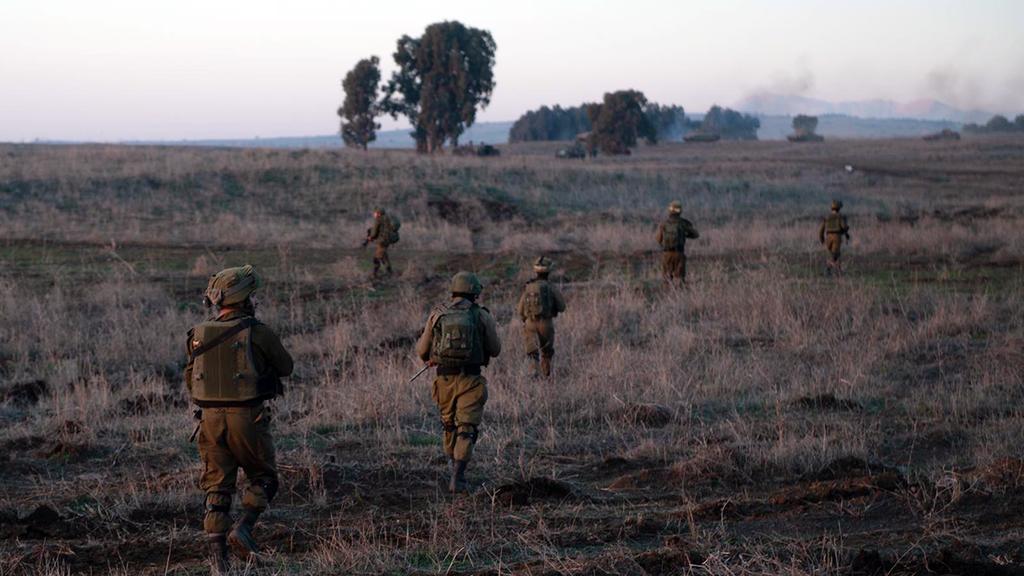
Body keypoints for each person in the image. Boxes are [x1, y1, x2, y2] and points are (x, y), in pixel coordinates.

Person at [184, 265, 293, 572]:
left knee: (216, 488)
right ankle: (243, 528)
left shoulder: (197, 334)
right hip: (248, 418)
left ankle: (219, 565)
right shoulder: (257, 332)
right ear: (245, 298)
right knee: (264, 478)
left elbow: (190, 379)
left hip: (208, 420)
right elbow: (285, 366)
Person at [414, 271, 501, 493]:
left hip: (444, 380)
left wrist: (435, 357)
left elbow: (421, 350)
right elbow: (495, 349)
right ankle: (458, 477)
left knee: (449, 425)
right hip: (471, 379)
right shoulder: (481, 315)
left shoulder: (437, 314)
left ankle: (453, 467)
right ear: (474, 291)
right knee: (466, 428)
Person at [516, 256, 566, 378]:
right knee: (546, 353)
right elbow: (562, 307)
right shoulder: (551, 287)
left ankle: (534, 375)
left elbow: (520, 310)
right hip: (546, 323)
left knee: (532, 353)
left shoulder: (528, 287)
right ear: (549, 271)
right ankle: (546, 377)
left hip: (529, 323)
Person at [656, 200, 700, 284]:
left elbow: (658, 239)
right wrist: (685, 235)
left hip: (666, 255)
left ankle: (666, 295)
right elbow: (696, 234)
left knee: (666, 280)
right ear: (680, 211)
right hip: (679, 254)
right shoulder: (683, 223)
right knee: (680, 280)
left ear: (669, 210)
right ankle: (679, 295)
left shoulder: (664, 223)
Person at [365, 208, 401, 278]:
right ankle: (390, 273)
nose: (374, 214)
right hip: (387, 241)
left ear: (378, 213)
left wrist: (370, 237)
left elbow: (374, 233)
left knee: (376, 258)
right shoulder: (387, 219)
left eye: (375, 213)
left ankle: (374, 274)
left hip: (382, 241)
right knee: (384, 257)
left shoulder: (378, 220)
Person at [818, 200, 851, 275]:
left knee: (835, 254)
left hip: (828, 237)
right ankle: (827, 269)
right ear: (839, 208)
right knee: (835, 255)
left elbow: (821, 230)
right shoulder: (840, 217)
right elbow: (844, 227)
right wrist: (846, 227)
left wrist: (822, 240)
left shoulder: (827, 217)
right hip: (836, 237)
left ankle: (838, 271)